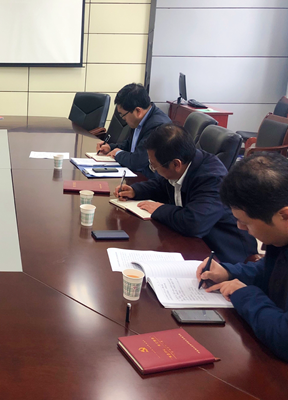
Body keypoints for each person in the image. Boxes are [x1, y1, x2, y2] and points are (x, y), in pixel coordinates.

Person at [115, 124, 257, 263]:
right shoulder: (184, 164)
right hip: (193, 243)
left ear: (176, 164)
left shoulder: (212, 178)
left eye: (154, 165)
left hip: (224, 254)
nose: (153, 169)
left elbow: (195, 223)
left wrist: (160, 209)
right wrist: (135, 190)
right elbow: (161, 184)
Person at [197, 153, 288, 362]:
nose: (240, 227)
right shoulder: (280, 237)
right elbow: (271, 271)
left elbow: (285, 338)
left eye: (246, 222)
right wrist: (229, 272)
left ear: (284, 215)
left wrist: (245, 295)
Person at [96, 83, 171, 178]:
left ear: (138, 111)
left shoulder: (157, 127)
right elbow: (130, 146)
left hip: (149, 180)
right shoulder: (140, 120)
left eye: (123, 115)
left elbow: (138, 161)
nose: (123, 119)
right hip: (136, 175)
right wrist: (110, 147)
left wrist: (117, 154)